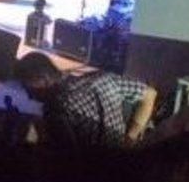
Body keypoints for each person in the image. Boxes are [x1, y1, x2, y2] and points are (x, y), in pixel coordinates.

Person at [14, 52, 156, 148]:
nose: (30, 96)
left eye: (29, 89)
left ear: (43, 80)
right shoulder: (103, 79)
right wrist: (130, 138)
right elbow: (150, 94)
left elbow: (65, 161)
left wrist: (40, 132)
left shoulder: (55, 111)